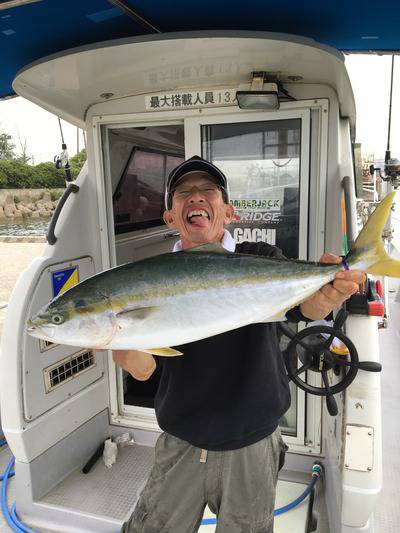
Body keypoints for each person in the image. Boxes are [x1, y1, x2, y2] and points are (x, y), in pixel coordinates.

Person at [117, 156, 365, 533]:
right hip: (182, 437)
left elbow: (302, 306)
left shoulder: (261, 258)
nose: (195, 197)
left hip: (253, 440)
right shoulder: (151, 279)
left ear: (229, 212)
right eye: (183, 192)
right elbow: (146, 368)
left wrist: (329, 293)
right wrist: (119, 341)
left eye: (208, 191)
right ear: (170, 217)